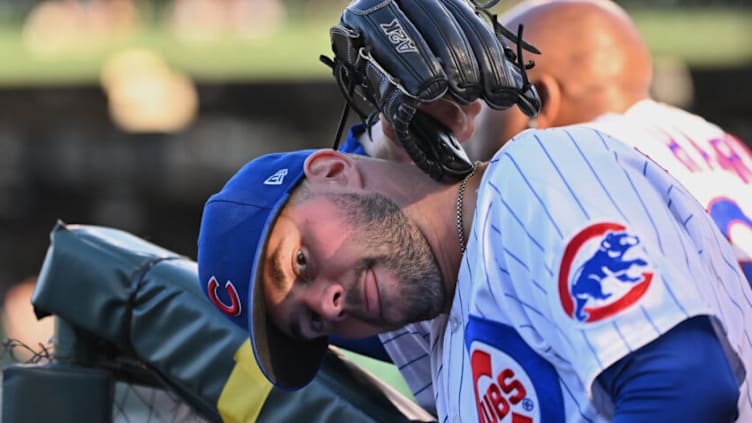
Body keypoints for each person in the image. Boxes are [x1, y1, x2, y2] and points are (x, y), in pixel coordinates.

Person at [197, 1, 751, 422]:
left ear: (334, 170)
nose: (329, 303)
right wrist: (393, 138)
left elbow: (687, 384)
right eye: (313, 321)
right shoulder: (433, 327)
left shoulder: (529, 178)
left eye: (298, 260)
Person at [467, 0, 752, 281]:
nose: (477, 110)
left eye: (490, 89)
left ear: (539, 99)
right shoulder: (718, 139)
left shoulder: (576, 165)